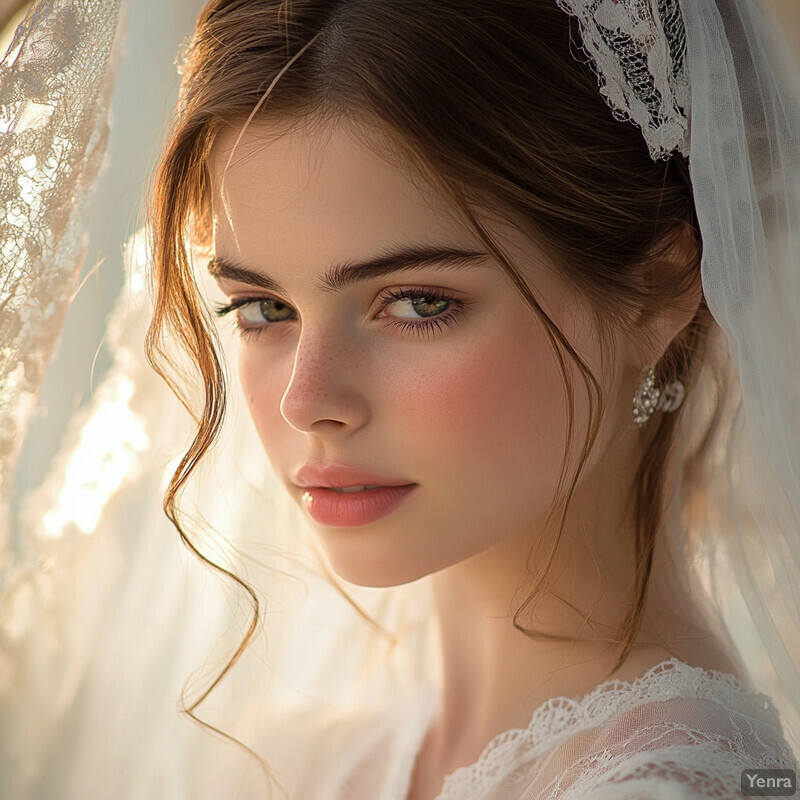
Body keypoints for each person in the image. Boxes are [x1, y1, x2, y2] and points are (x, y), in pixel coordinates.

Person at [2, 0, 799, 798]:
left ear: (658, 286)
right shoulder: (296, 763)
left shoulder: (671, 786)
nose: (306, 402)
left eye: (417, 302)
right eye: (264, 309)